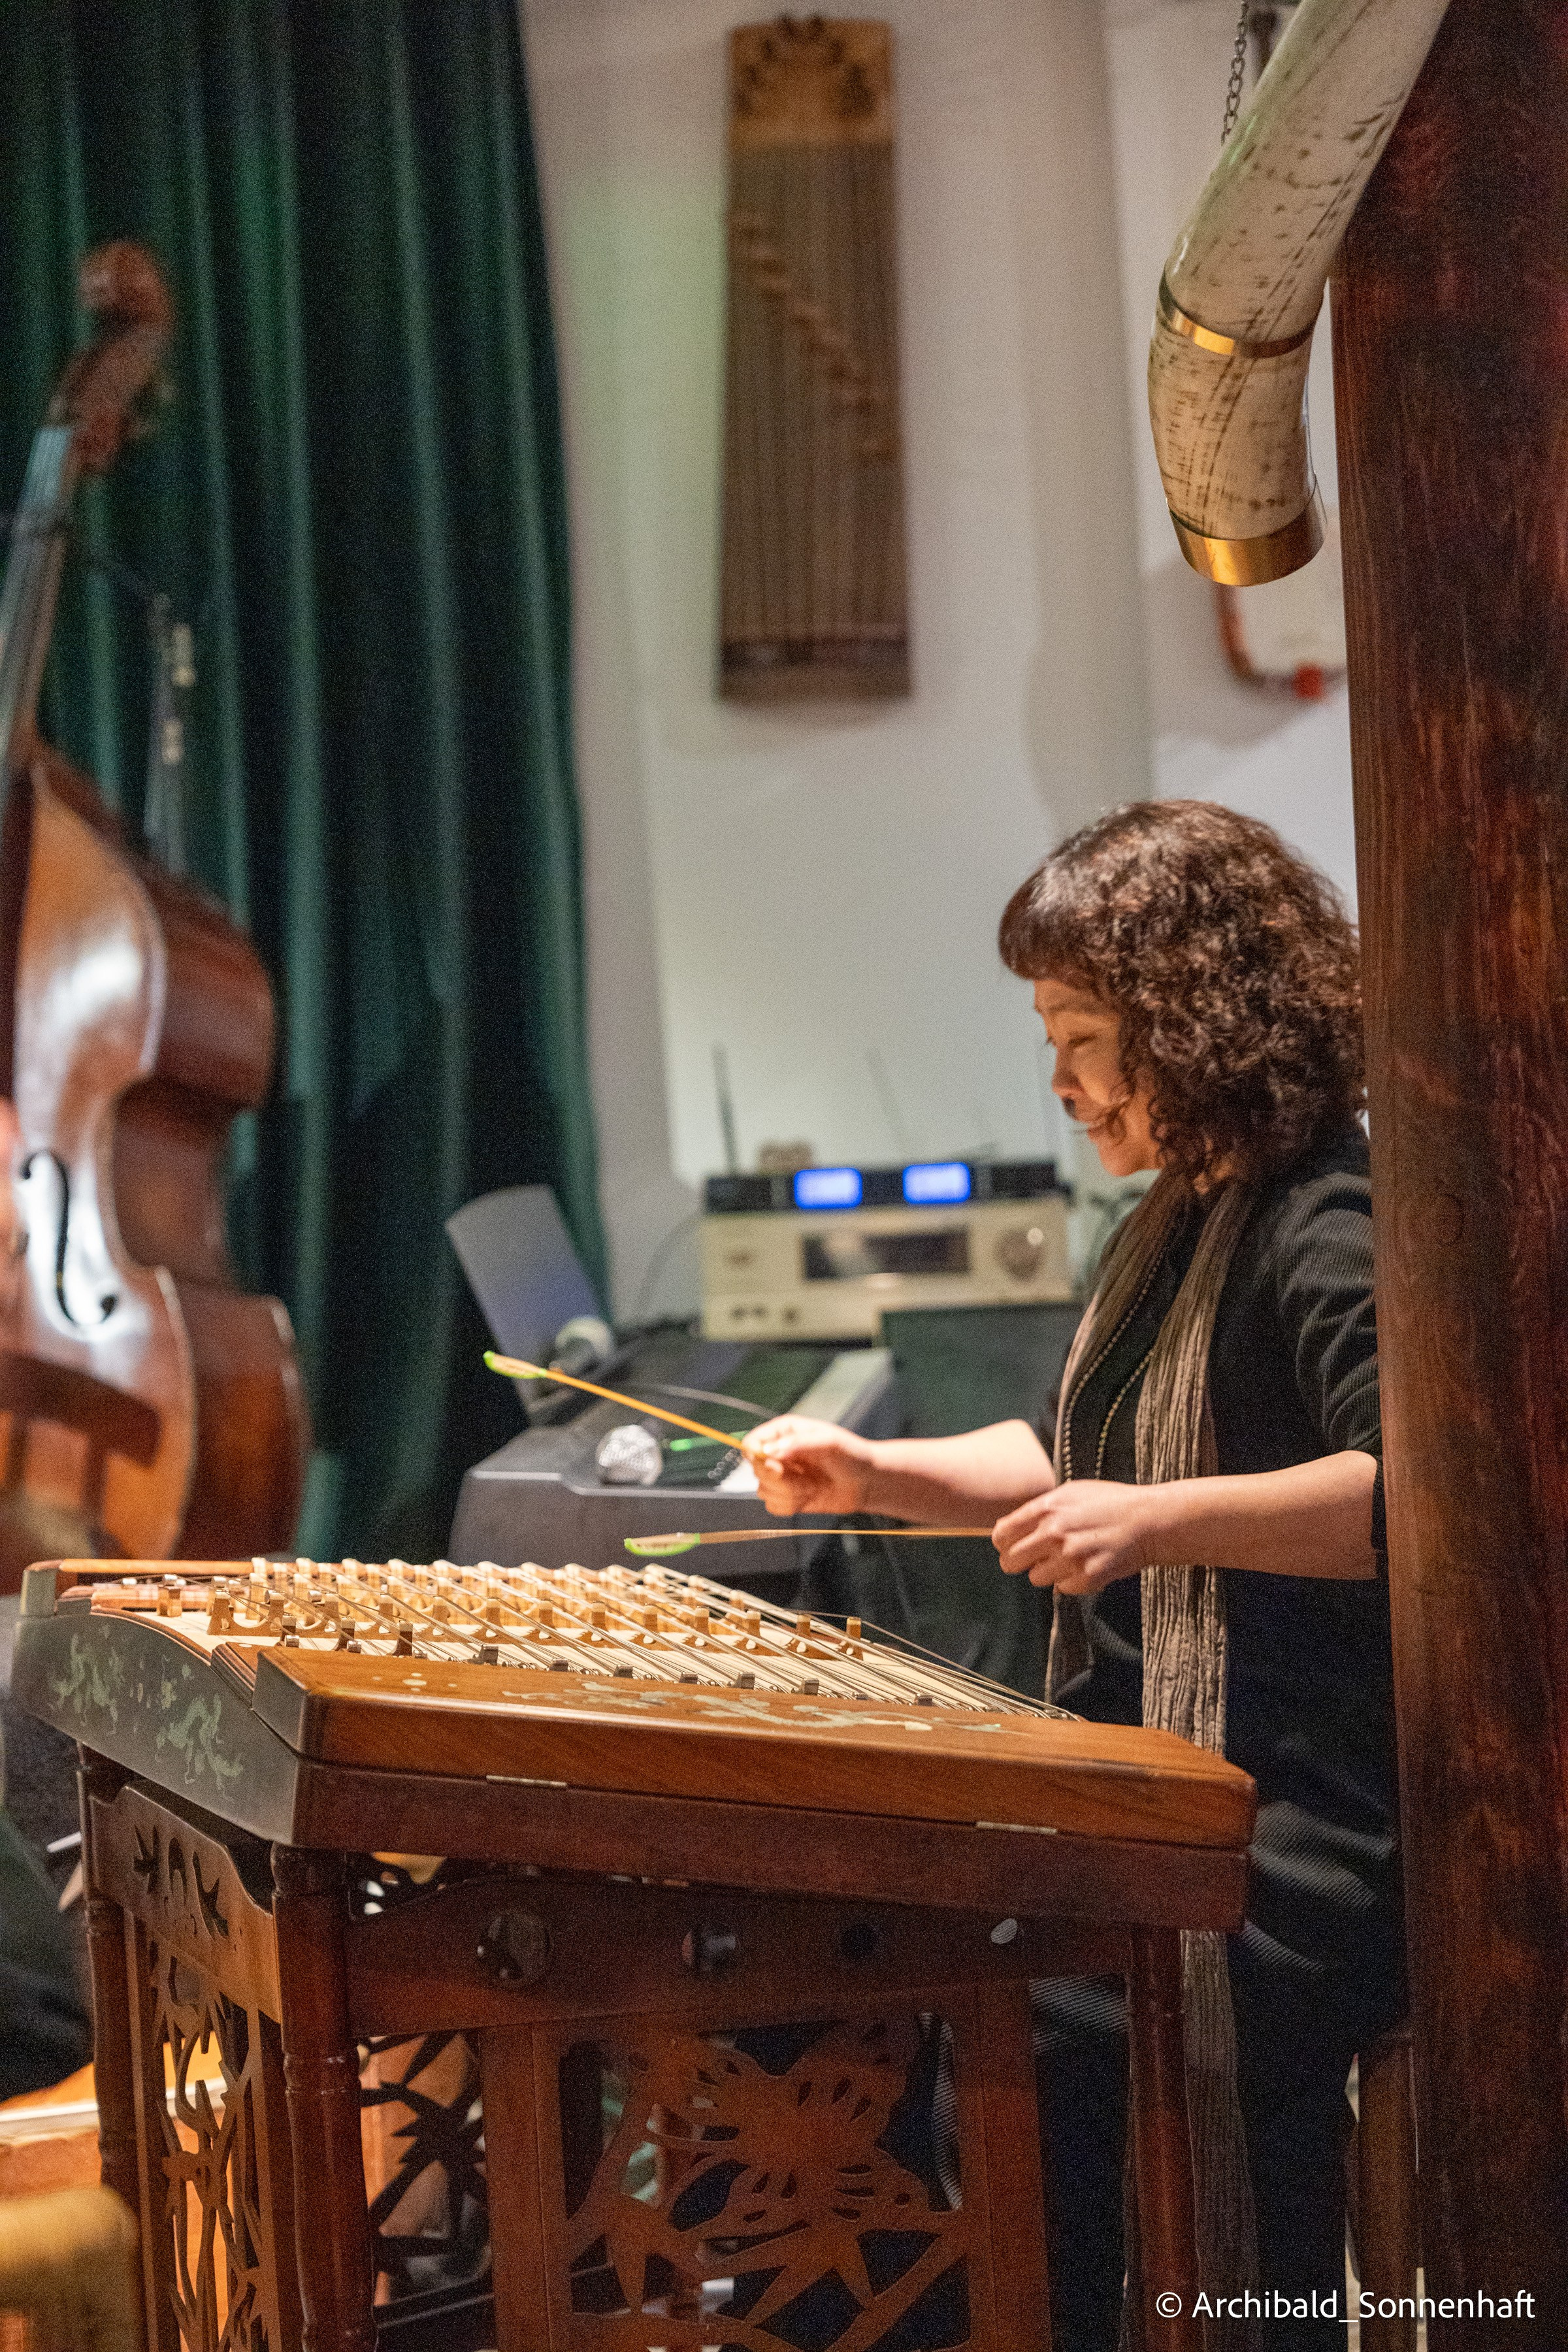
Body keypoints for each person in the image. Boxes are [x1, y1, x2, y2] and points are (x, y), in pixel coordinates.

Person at [749, 802, 1401, 2352]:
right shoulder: (1174, 1215)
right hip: (1159, 1783)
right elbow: (1071, 1455)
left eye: (1086, 1032)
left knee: (1020, 2006)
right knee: (918, 1954)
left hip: (1290, 1821)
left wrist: (1158, 1522)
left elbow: (1407, 1502)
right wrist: (880, 1478)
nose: (1061, 1079)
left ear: (1192, 1022)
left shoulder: (1326, 1221)